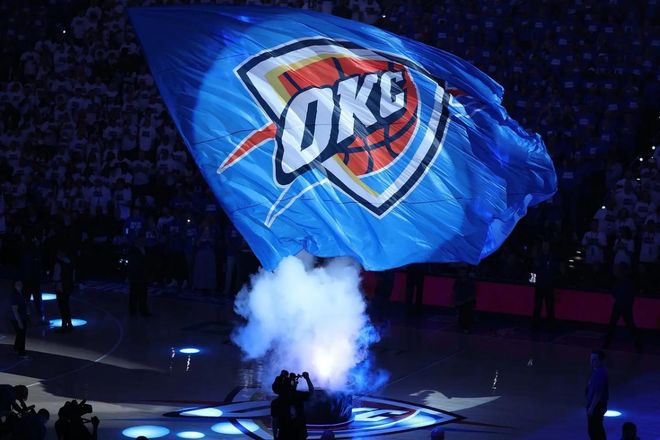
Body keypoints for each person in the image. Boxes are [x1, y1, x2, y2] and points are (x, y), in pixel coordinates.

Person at [603, 264, 641, 352]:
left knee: (614, 324)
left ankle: (607, 343)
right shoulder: (627, 283)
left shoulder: (621, 282)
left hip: (620, 305)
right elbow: (630, 296)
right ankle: (638, 343)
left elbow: (614, 293)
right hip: (624, 305)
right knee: (629, 325)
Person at [271, 371, 314, 439]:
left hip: (284, 436)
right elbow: (311, 393)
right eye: (294, 381)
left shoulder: (276, 402)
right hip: (299, 435)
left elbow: (274, 423)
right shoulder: (298, 395)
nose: (296, 383)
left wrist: (275, 437)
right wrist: (307, 378)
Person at [532, 240, 558, 331]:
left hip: (549, 285)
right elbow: (534, 270)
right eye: (544, 245)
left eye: (546, 245)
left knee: (550, 306)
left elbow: (554, 270)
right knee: (537, 306)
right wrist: (533, 282)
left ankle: (551, 326)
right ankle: (535, 325)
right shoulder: (538, 257)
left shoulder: (552, 257)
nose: (545, 247)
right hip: (539, 285)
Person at [585, 350, 608, 440]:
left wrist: (591, 407)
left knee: (594, 430)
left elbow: (598, 393)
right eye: (591, 359)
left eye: (594, 359)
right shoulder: (597, 371)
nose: (591, 361)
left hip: (596, 406)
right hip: (597, 405)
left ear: (601, 360)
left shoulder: (600, 373)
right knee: (597, 428)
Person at [127, 236, 151, 317]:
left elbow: (147, 262)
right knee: (134, 294)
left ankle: (143, 310)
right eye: (141, 240)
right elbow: (133, 264)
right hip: (136, 276)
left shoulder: (145, 249)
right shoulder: (132, 250)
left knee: (143, 294)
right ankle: (133, 311)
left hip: (143, 275)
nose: (143, 241)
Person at [53, 249, 75, 332]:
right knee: (66, 305)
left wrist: (56, 285)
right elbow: (73, 275)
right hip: (68, 287)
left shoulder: (58, 264)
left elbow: (56, 277)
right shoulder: (70, 263)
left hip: (61, 287)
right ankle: (69, 324)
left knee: (62, 306)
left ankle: (64, 326)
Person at [453, 266, 477, 333]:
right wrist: (455, 300)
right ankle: (462, 327)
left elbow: (473, 295)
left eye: (463, 272)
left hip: (468, 302)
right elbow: (454, 291)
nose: (461, 273)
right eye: (460, 272)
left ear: (466, 273)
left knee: (466, 314)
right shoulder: (457, 281)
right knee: (460, 315)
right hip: (459, 301)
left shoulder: (471, 281)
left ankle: (466, 328)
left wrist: (463, 302)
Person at [9, 280, 29, 357]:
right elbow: (15, 310)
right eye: (17, 284)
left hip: (22, 317)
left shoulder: (22, 293)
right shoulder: (14, 295)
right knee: (21, 334)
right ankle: (21, 352)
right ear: (14, 285)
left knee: (20, 333)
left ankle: (16, 347)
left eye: (20, 283)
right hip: (16, 318)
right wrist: (19, 321)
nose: (19, 285)